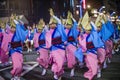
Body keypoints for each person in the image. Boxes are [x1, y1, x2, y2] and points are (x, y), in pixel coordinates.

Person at [48, 8, 67, 80]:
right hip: (54, 49)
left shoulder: (59, 29)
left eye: (54, 23)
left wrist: (53, 16)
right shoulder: (49, 32)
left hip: (61, 48)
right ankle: (56, 73)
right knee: (58, 62)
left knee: (61, 63)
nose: (52, 25)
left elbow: (59, 21)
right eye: (51, 24)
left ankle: (57, 73)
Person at [65, 11, 78, 77]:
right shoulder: (64, 31)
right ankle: (71, 68)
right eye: (67, 25)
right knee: (68, 59)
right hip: (67, 47)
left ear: (71, 25)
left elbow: (76, 24)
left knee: (73, 58)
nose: (68, 26)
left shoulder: (73, 30)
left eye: (69, 25)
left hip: (73, 45)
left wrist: (72, 18)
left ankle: (72, 69)